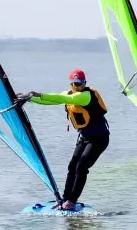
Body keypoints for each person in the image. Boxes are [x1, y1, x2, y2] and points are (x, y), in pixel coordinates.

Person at [18, 69, 109, 210]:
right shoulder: (69, 94)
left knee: (82, 167)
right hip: (85, 137)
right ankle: (65, 198)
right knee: (72, 167)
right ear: (71, 85)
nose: (77, 87)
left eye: (80, 84)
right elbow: (51, 101)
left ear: (85, 83)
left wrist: (37, 93)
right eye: (74, 84)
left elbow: (61, 98)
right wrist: (29, 99)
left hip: (99, 139)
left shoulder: (84, 96)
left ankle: (71, 202)